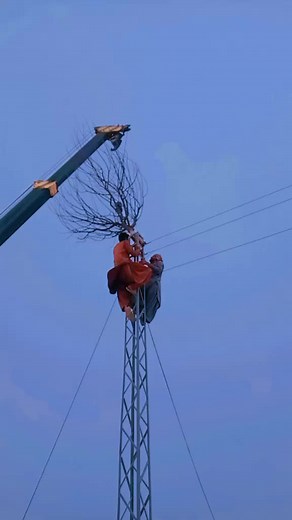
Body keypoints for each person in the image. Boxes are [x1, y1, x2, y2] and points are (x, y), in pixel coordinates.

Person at [107, 232, 152, 321]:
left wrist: (132, 246)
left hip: (117, 271)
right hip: (126, 267)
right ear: (126, 239)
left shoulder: (116, 247)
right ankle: (132, 287)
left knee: (122, 290)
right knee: (147, 271)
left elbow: (124, 253)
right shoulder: (125, 243)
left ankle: (126, 307)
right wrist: (138, 248)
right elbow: (134, 253)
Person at [140, 254, 164, 324]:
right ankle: (140, 310)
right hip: (148, 285)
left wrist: (146, 263)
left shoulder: (159, 263)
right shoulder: (151, 265)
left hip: (153, 285)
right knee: (142, 297)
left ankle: (146, 316)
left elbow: (158, 270)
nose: (151, 257)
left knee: (150, 302)